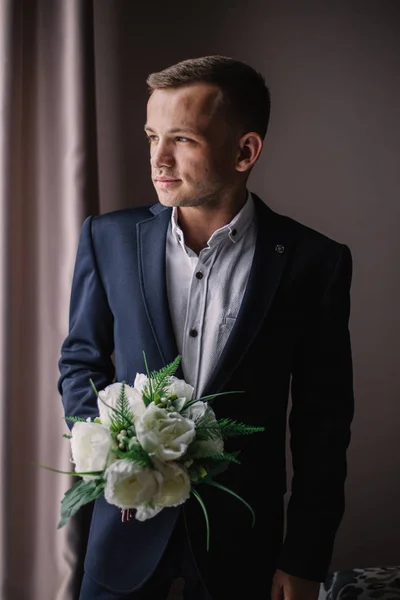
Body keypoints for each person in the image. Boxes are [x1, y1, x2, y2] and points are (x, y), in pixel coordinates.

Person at [58, 55, 355, 600]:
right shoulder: (109, 238)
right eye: (152, 136)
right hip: (123, 533)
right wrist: (110, 449)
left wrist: (306, 556)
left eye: (183, 140)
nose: (158, 159)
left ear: (245, 151)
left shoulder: (315, 262)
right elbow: (80, 361)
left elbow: (323, 424)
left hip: (242, 549)